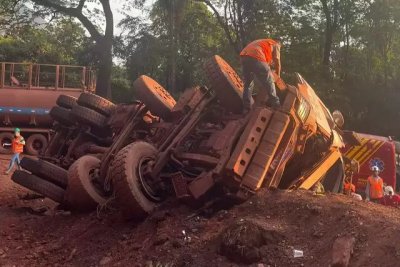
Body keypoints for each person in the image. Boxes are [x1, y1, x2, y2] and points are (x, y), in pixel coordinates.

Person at [240, 38, 282, 113]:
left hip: (244, 56)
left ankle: (246, 109)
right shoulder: (276, 44)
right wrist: (278, 76)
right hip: (256, 56)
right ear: (278, 43)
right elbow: (277, 61)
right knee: (269, 81)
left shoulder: (263, 42)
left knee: (248, 84)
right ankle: (276, 104)